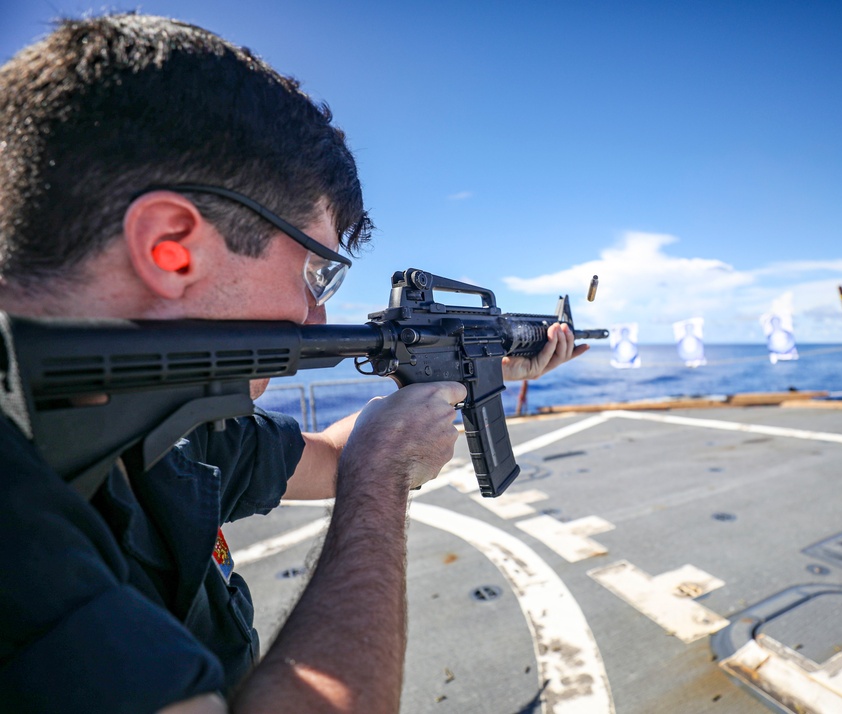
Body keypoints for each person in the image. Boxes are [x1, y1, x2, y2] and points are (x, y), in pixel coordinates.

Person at [0, 14, 586, 713]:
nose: (316, 317)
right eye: (317, 273)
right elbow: (365, 469)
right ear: (171, 247)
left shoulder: (159, 427)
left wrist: (472, 376)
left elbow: (334, 456)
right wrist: (385, 478)